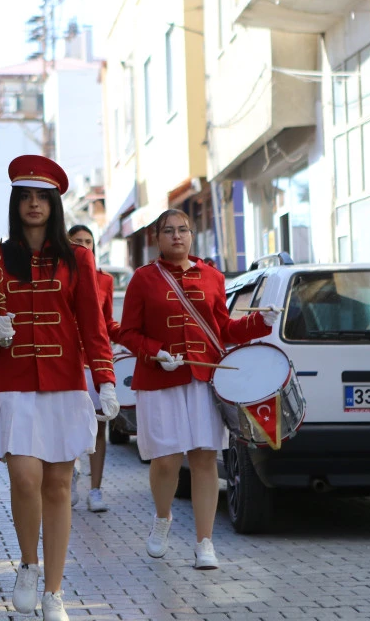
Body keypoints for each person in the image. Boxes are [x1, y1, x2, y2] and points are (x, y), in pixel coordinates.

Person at [0, 155, 119, 621]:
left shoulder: (78, 258)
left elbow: (93, 328)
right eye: (25, 197)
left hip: (66, 384)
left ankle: (54, 591)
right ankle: (27, 564)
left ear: (54, 204)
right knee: (24, 477)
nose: (33, 204)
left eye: (42, 197)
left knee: (57, 485)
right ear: (15, 203)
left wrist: (106, 381)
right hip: (14, 383)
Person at [119, 209, 280, 570]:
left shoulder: (212, 276)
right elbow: (126, 332)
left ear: (191, 235)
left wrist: (258, 322)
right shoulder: (143, 279)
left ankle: (204, 542)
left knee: (205, 457)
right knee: (165, 459)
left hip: (203, 379)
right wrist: (155, 352)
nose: (177, 236)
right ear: (157, 238)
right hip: (160, 379)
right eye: (169, 231)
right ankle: (163, 519)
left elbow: (222, 328)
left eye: (183, 230)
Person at [67, 224, 119, 514]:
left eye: (88, 241)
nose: (84, 246)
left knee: (100, 429)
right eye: (78, 241)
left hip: (95, 362)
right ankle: (71, 476)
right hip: (68, 361)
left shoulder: (105, 280)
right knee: (71, 424)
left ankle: (96, 489)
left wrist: (129, 335)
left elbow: (107, 322)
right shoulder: (59, 275)